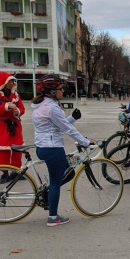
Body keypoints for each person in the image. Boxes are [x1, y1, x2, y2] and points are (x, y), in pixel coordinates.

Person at [31, 75, 91, 226]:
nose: (63, 91)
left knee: (69, 171)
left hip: (44, 147)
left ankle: (49, 192)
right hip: (53, 149)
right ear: (52, 92)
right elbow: (68, 129)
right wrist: (85, 141)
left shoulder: (42, 105)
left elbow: (57, 125)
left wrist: (72, 117)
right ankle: (53, 217)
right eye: (60, 89)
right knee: (56, 182)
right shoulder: (52, 108)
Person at [0, 71, 25, 184]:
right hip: (3, 125)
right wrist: (6, 106)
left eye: (13, 81)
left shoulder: (16, 95)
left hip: (16, 125)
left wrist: (17, 111)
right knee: (2, 150)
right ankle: (4, 173)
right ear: (3, 82)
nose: (11, 83)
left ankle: (15, 172)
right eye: (9, 81)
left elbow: (22, 109)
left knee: (17, 149)